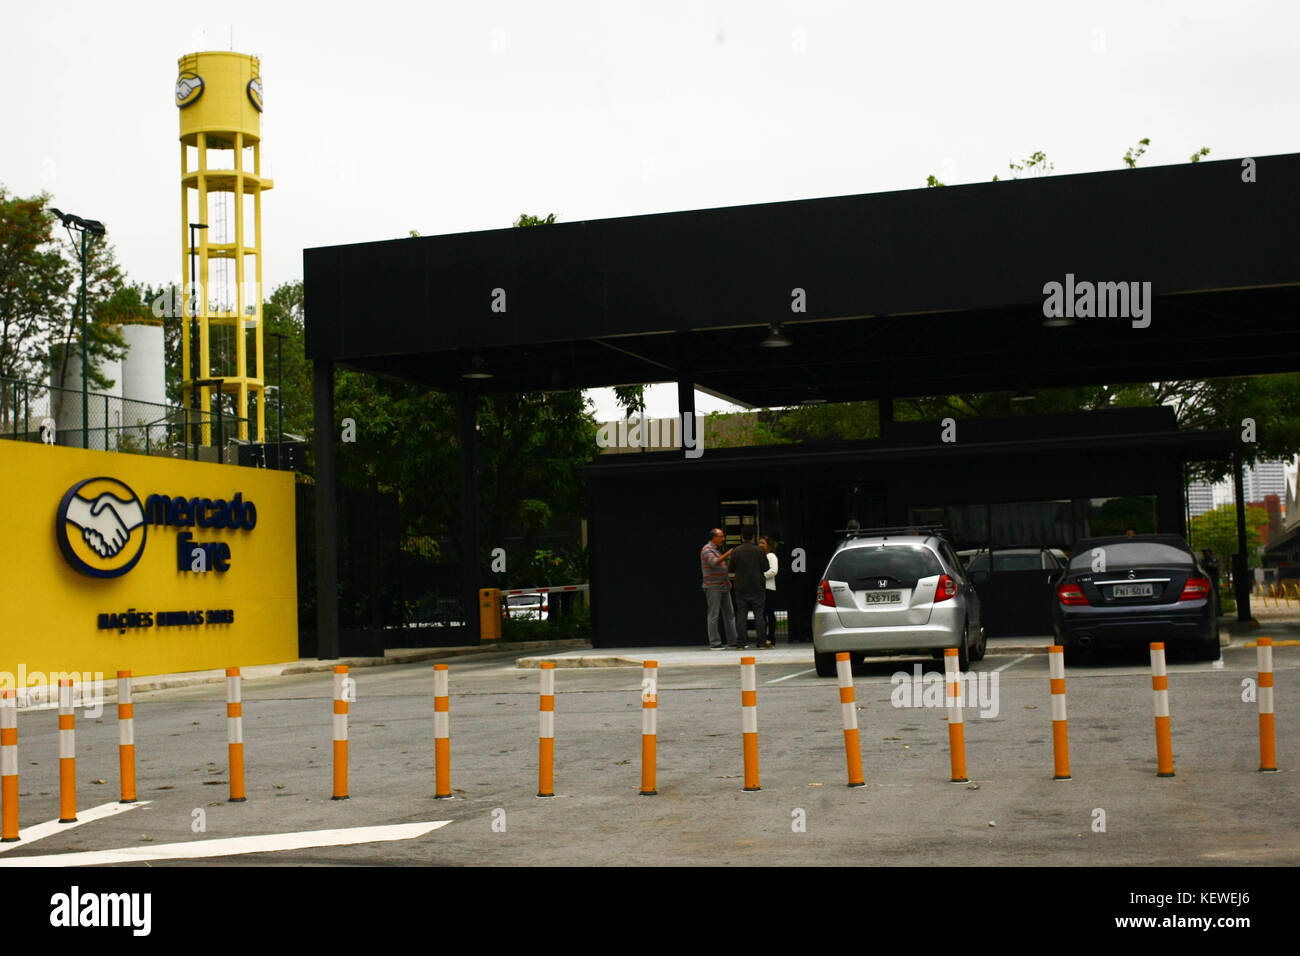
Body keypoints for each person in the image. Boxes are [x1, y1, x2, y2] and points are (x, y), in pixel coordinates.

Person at [730, 528, 768, 649]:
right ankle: (761, 642)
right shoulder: (759, 550)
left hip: (741, 586)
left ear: (742, 537)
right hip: (757, 586)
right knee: (759, 614)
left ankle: (741, 643)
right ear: (752, 537)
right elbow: (766, 567)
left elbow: (731, 568)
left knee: (741, 614)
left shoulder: (736, 551)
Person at [700, 528, 738, 649]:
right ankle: (715, 643)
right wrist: (728, 553)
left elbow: (721, 567)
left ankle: (733, 641)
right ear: (714, 537)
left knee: (729, 613)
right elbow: (714, 562)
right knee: (714, 614)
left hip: (723, 585)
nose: (723, 538)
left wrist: (727, 580)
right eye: (721, 536)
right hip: (713, 586)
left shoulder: (716, 549)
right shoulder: (707, 549)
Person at [759, 536, 779, 648]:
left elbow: (773, 570)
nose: (760, 545)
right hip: (762, 588)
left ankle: (771, 637)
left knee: (769, 614)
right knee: (763, 614)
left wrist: (761, 576)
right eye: (759, 543)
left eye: (762, 543)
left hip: (769, 588)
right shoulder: (761, 556)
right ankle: (766, 637)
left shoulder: (771, 556)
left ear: (768, 545)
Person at [1201, 548, 1222, 615]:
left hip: (1214, 579)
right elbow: (1202, 567)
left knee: (1216, 595)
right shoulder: (1203, 560)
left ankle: (1218, 612)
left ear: (1210, 553)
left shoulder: (1214, 559)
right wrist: (1210, 565)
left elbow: (1215, 566)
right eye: (1204, 552)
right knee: (1206, 596)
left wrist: (1209, 565)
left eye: (1206, 552)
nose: (1204, 554)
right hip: (1206, 580)